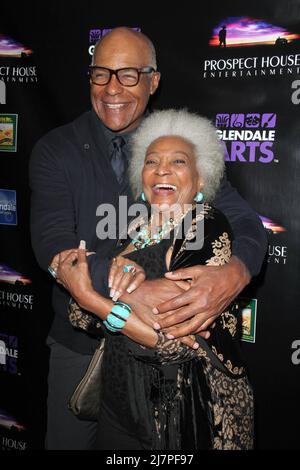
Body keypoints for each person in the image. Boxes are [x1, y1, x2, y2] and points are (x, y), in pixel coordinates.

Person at [29, 27, 267, 450]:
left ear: (153, 81)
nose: (112, 88)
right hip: (80, 346)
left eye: (129, 75)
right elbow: (53, 245)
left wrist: (235, 272)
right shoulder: (56, 150)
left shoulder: (182, 151)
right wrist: (129, 290)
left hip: (166, 373)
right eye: (101, 74)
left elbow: (247, 226)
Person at [58, 108, 254, 450]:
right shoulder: (131, 230)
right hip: (115, 411)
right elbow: (79, 315)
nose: (161, 169)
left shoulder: (205, 226)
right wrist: (110, 297)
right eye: (151, 161)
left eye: (178, 162)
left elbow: (176, 342)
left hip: (179, 418)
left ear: (201, 179)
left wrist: (97, 299)